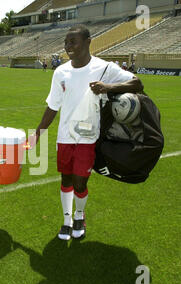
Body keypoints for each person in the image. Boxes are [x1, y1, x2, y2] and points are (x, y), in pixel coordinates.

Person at [29, 25, 143, 241]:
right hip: (64, 136)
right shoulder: (60, 72)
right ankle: (66, 220)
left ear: (88, 41)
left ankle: (79, 216)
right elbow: (53, 106)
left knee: (80, 181)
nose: (68, 46)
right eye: (66, 42)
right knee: (66, 179)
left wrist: (108, 87)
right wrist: (37, 134)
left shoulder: (104, 68)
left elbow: (137, 83)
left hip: (88, 137)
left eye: (73, 42)